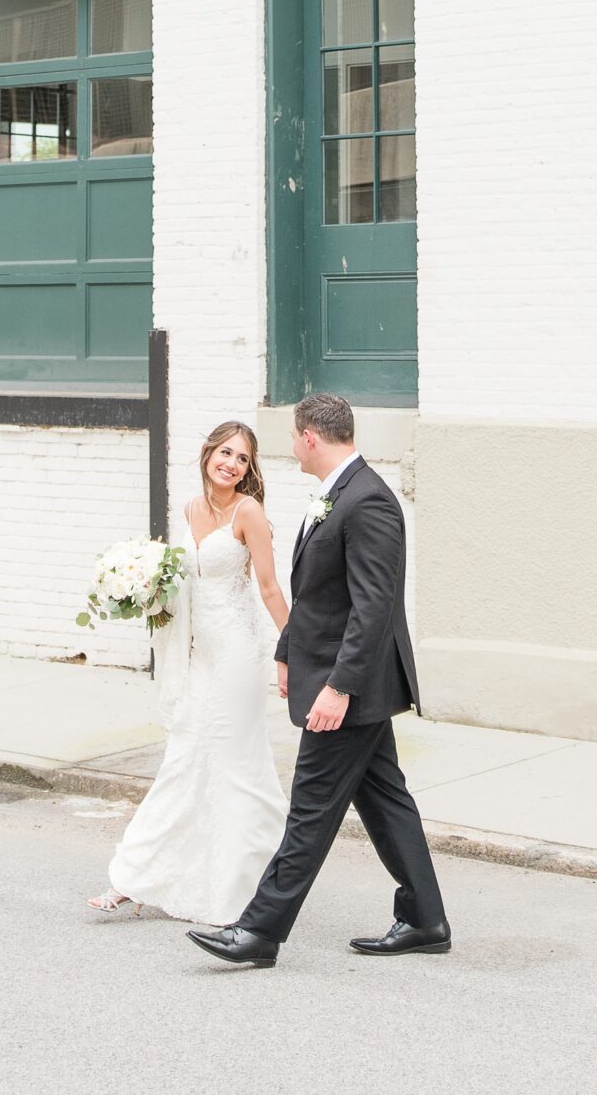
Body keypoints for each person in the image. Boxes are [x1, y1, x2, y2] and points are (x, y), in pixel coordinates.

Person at [187, 390, 450, 969]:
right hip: (339, 679)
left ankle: (258, 932)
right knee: (385, 800)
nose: (291, 449)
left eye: (292, 439)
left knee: (310, 807)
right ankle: (425, 917)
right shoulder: (338, 494)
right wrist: (288, 649)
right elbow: (320, 600)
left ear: (309, 437)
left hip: (348, 690)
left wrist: (338, 687)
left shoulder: (369, 502)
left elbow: (374, 608)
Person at [90, 422, 289, 924]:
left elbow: (268, 589)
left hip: (239, 654)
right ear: (207, 454)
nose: (232, 464)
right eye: (226, 453)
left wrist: (295, 649)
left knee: (236, 764)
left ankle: (247, 885)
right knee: (184, 758)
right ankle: (132, 878)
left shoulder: (250, 513)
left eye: (242, 459)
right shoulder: (189, 509)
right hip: (199, 654)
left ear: (249, 469)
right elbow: (181, 584)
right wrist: (143, 588)